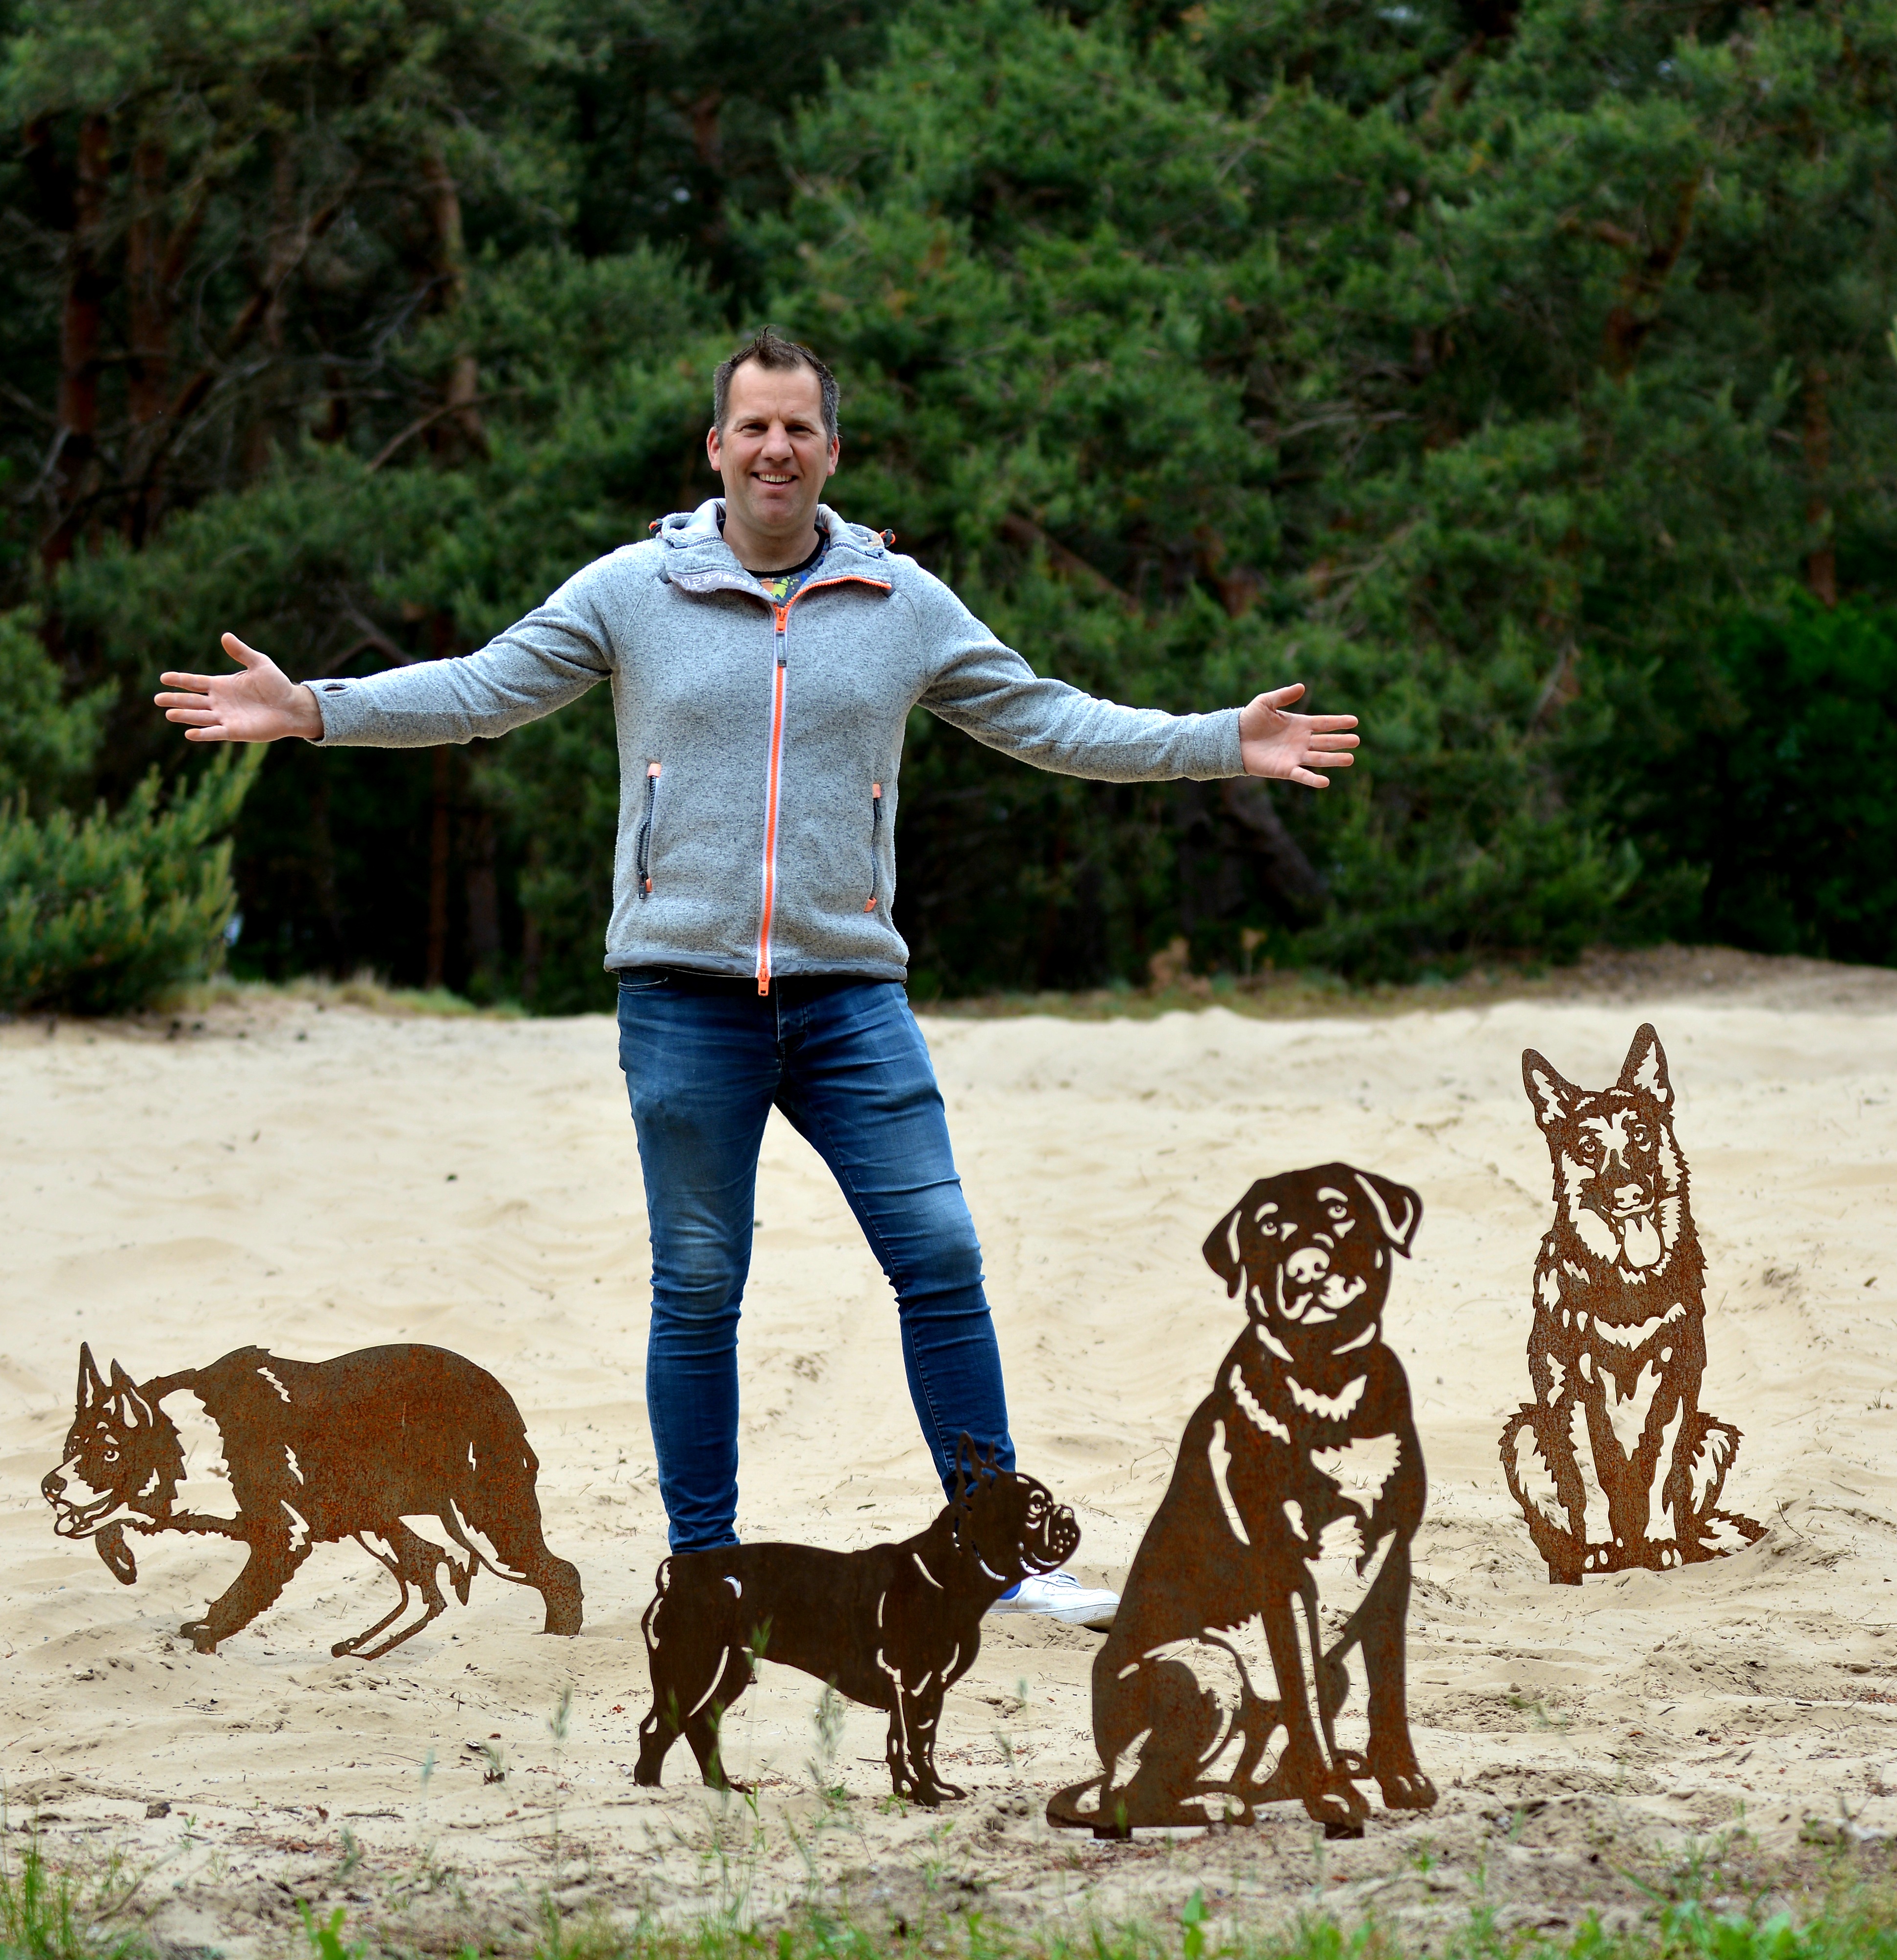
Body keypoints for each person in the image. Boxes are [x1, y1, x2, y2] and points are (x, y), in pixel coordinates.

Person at [156, 327, 1357, 1626]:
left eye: (800, 429)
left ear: (830, 452)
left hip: (850, 998)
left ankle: (1002, 1552)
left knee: (942, 1257)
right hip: (686, 997)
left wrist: (1216, 743)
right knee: (699, 1284)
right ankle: (707, 1562)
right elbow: (484, 688)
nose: (776, 448)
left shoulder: (902, 605)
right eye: (754, 427)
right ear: (716, 448)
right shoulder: (630, 592)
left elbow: (1046, 715)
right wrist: (315, 707)